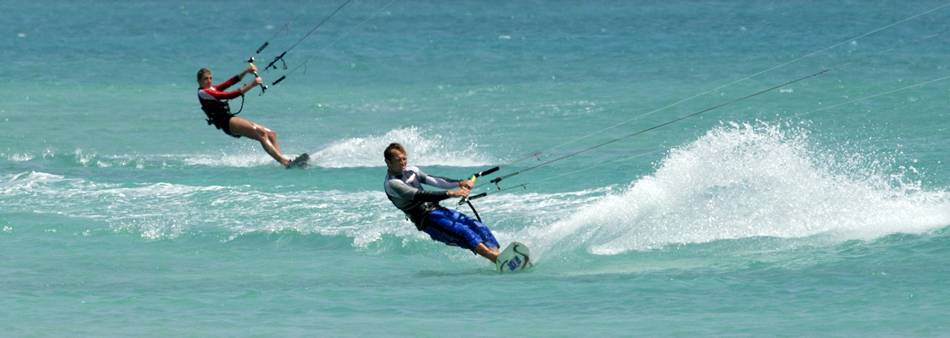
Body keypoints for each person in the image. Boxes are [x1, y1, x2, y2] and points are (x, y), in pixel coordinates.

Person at [383, 142, 501, 263]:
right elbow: (420, 195)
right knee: (464, 232)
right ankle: (495, 258)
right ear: (388, 162)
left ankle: (500, 255)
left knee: (477, 225)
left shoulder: (412, 171)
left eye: (404, 159)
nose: (403, 163)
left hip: (438, 210)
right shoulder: (392, 184)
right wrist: (450, 193)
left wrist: (459, 183)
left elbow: (434, 180)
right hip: (427, 220)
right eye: (398, 160)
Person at [196, 64, 307, 168]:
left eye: (210, 78)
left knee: (271, 134)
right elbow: (230, 96)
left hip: (230, 119)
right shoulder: (203, 92)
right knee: (262, 134)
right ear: (199, 81)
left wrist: (246, 71)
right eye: (206, 79)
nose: (209, 81)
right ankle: (286, 163)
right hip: (226, 122)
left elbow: (230, 82)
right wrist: (252, 85)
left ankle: (283, 161)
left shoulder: (211, 89)